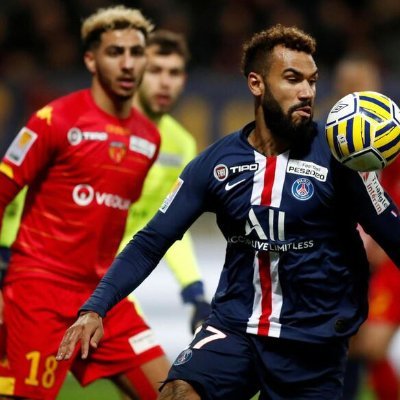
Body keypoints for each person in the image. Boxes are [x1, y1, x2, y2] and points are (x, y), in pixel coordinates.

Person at [57, 24, 400, 399]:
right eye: (292, 79)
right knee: (178, 392)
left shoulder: (340, 159)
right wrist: (96, 308)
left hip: (312, 341)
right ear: (256, 84)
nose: (306, 92)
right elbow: (151, 241)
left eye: (313, 81)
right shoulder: (216, 164)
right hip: (236, 326)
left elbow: (393, 235)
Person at [0, 6, 173, 400]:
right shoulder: (54, 119)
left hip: (102, 297)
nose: (128, 64)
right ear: (91, 59)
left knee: (176, 392)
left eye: (136, 52)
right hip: (38, 290)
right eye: (115, 53)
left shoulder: (149, 139)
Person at [122, 29, 211, 334]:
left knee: (164, 382)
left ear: (183, 80)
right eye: (154, 71)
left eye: (173, 72)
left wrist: (194, 292)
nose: (165, 82)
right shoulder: (99, 127)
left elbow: (168, 224)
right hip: (62, 275)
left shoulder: (180, 143)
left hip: (112, 282)